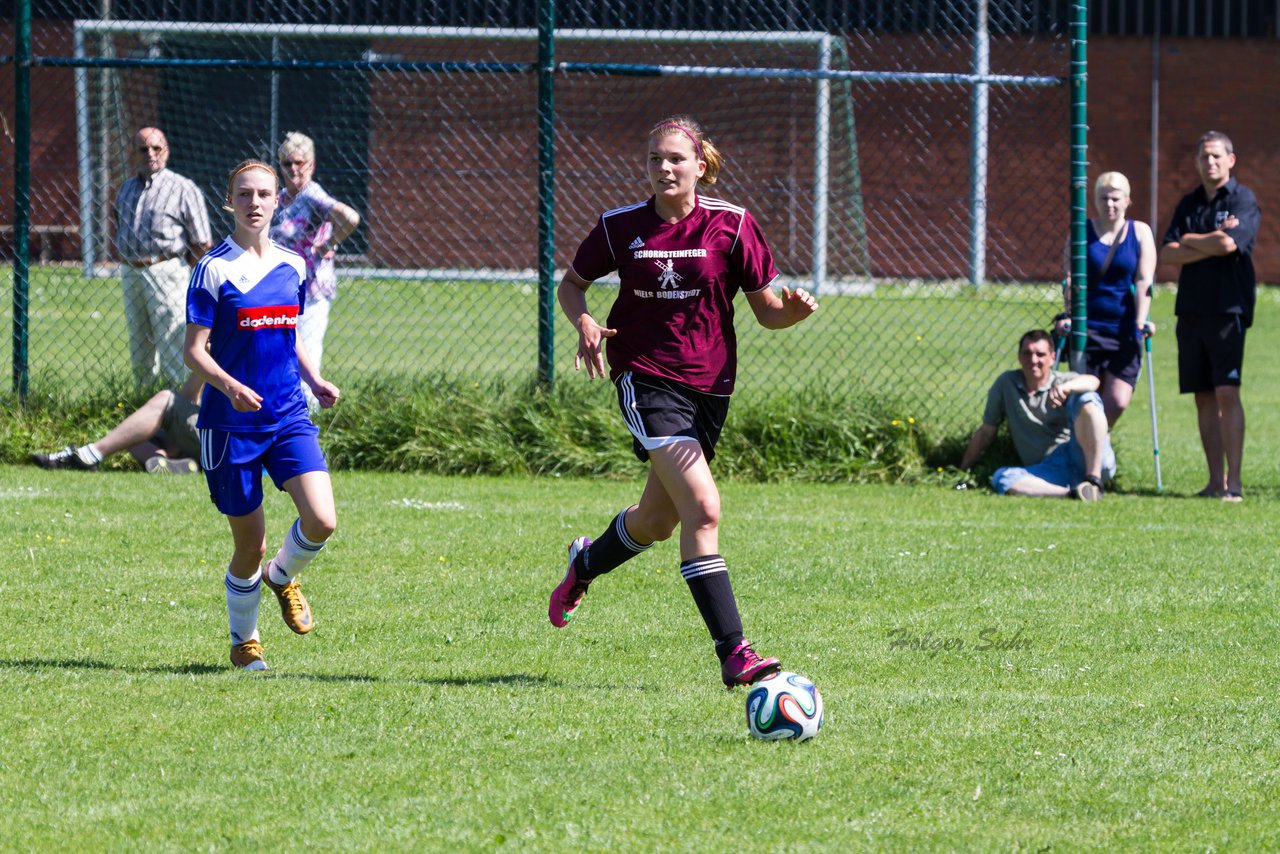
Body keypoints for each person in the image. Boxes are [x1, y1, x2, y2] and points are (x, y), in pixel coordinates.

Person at [547, 115, 819, 689]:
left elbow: (766, 309)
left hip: (711, 389)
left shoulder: (734, 225)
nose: (664, 168)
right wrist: (587, 322)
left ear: (701, 166)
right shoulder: (620, 227)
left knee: (657, 520)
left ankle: (585, 564)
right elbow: (570, 284)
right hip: (645, 379)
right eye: (654, 159)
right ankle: (735, 651)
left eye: (676, 158)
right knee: (704, 508)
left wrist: (790, 313)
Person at [184, 159, 341, 672]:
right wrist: (229, 387)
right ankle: (244, 642)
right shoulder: (213, 268)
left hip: (288, 414)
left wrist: (314, 380)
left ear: (279, 202)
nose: (255, 202)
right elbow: (194, 352)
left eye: (264, 194)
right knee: (249, 545)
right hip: (230, 425)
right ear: (229, 201)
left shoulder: (294, 265)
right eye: (245, 194)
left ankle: (281, 576)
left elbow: (286, 336)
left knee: (321, 519)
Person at [1159, 130, 1261, 502]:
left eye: (1217, 156)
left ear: (1231, 159)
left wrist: (1192, 241)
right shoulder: (1189, 203)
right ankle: (1214, 481)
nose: (1210, 162)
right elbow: (1167, 253)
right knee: (1202, 395)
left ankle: (1234, 484)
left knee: (1225, 391)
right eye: (1204, 156)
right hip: (1191, 310)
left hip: (1227, 309)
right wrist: (1210, 241)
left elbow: (1230, 244)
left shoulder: (1243, 199)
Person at [960, 329, 1116, 500]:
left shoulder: (1062, 381)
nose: (1033, 360)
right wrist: (963, 470)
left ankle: (1094, 481)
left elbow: (1093, 381)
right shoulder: (1006, 384)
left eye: (1040, 354)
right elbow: (986, 432)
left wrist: (1066, 389)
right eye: (1027, 353)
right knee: (1002, 476)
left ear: (1052, 357)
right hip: (1048, 470)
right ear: (1019, 357)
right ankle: (1074, 494)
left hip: (1082, 456)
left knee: (1087, 397)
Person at [1054, 171, 1158, 426]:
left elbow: (1144, 280)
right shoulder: (1081, 232)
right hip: (1087, 329)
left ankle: (1095, 443)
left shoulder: (1140, 232)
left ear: (1127, 200)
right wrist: (1069, 314)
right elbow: (1070, 277)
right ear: (1095, 201)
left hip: (1124, 331)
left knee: (1117, 401)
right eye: (1104, 199)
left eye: (1115, 199)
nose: (1109, 205)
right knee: (1087, 397)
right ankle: (1088, 454)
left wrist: (1141, 320)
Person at [115, 127, 213, 388]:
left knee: (172, 340)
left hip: (166, 269)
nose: (150, 154)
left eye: (156, 148)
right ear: (132, 153)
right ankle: (143, 401)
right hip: (131, 271)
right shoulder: (125, 189)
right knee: (139, 344)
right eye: (143, 148)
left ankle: (175, 405)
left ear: (166, 151)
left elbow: (203, 240)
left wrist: (183, 271)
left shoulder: (182, 188)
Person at [270, 132, 362, 408]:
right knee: (279, 358)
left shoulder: (312, 194)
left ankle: (306, 425)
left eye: (300, 162)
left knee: (306, 360)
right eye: (287, 164)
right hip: (279, 290)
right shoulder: (281, 198)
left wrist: (329, 243)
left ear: (311, 164)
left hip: (309, 291)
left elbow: (350, 218)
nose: (294, 169)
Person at [30, 373, 203, 474]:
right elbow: (189, 398)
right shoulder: (221, 355)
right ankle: (165, 462)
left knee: (165, 400)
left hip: (223, 439)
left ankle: (89, 456)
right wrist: (205, 362)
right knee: (131, 431)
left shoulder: (228, 357)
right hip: (207, 434)